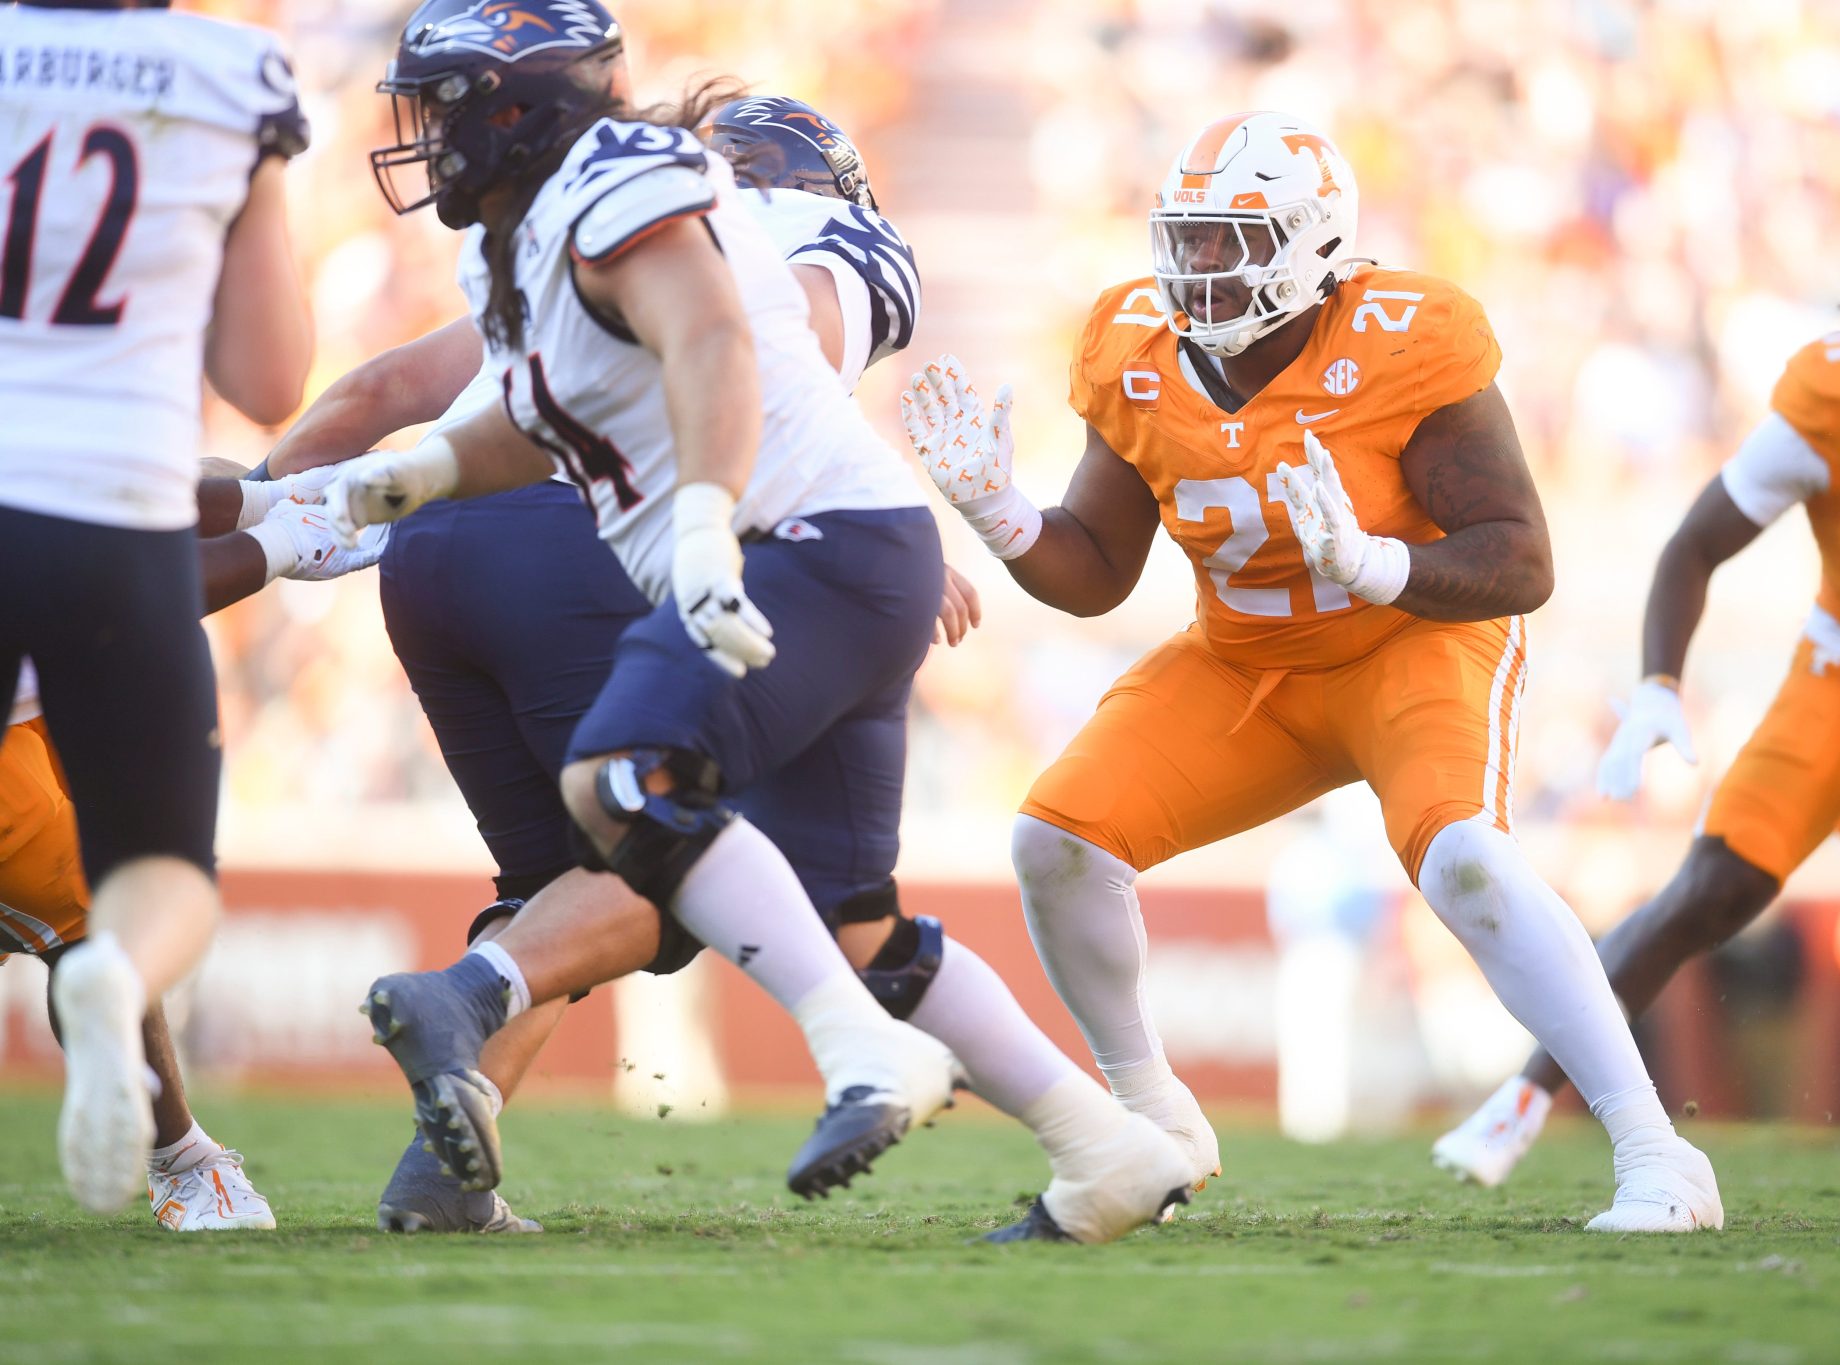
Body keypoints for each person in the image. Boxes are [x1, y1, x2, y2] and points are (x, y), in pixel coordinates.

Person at [325, 2, 1186, 1241]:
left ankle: (853, 1057)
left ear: (526, 109)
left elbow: (723, 342)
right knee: (859, 922)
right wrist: (408, 477)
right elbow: (542, 419)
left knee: (624, 778)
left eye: (446, 107)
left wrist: (702, 523)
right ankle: (1103, 1150)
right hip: (824, 541)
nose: (425, 137)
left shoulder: (632, 181)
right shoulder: (517, 242)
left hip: (814, 540)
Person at [904, 111, 1723, 1231]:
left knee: (1467, 862)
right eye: (1184, 239)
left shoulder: (1404, 335)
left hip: (1410, 647)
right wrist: (1000, 517)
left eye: (1226, 241)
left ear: (1311, 244)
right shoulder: (1134, 348)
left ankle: (1655, 1154)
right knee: (1053, 843)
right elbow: (1095, 571)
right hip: (1245, 662)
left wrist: (1378, 564)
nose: (1196, 269)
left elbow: (1519, 558)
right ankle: (1151, 1121)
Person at [1434, 160, 1840, 1196]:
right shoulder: (1839, 387)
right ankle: (1522, 1097)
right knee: (1703, 896)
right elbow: (1692, 543)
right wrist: (1658, 685)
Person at [0, 0, 313, 1214]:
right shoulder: (228, 73)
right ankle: (111, 972)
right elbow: (269, 377)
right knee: (160, 876)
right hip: (111, 513)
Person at [1, 483, 382, 1230]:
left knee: (103, 910)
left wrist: (265, 499)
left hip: (40, 695)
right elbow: (111, 582)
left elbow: (120, 491)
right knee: (96, 931)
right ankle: (183, 1160)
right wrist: (281, 540)